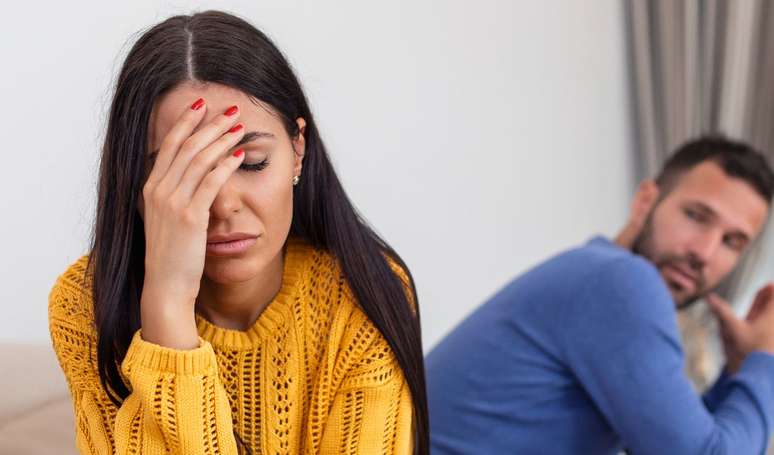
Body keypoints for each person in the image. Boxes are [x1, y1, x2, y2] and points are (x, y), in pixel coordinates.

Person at [48, 10, 427, 454]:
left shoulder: (364, 293)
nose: (223, 203)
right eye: (184, 173)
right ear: (135, 180)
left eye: (251, 163)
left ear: (298, 149)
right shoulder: (85, 305)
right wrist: (167, 304)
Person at [426, 136, 774, 454]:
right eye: (696, 216)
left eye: (732, 242)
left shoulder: (594, 274)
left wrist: (740, 368)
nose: (704, 252)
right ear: (645, 201)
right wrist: (765, 359)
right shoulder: (621, 281)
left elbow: (684, 439)